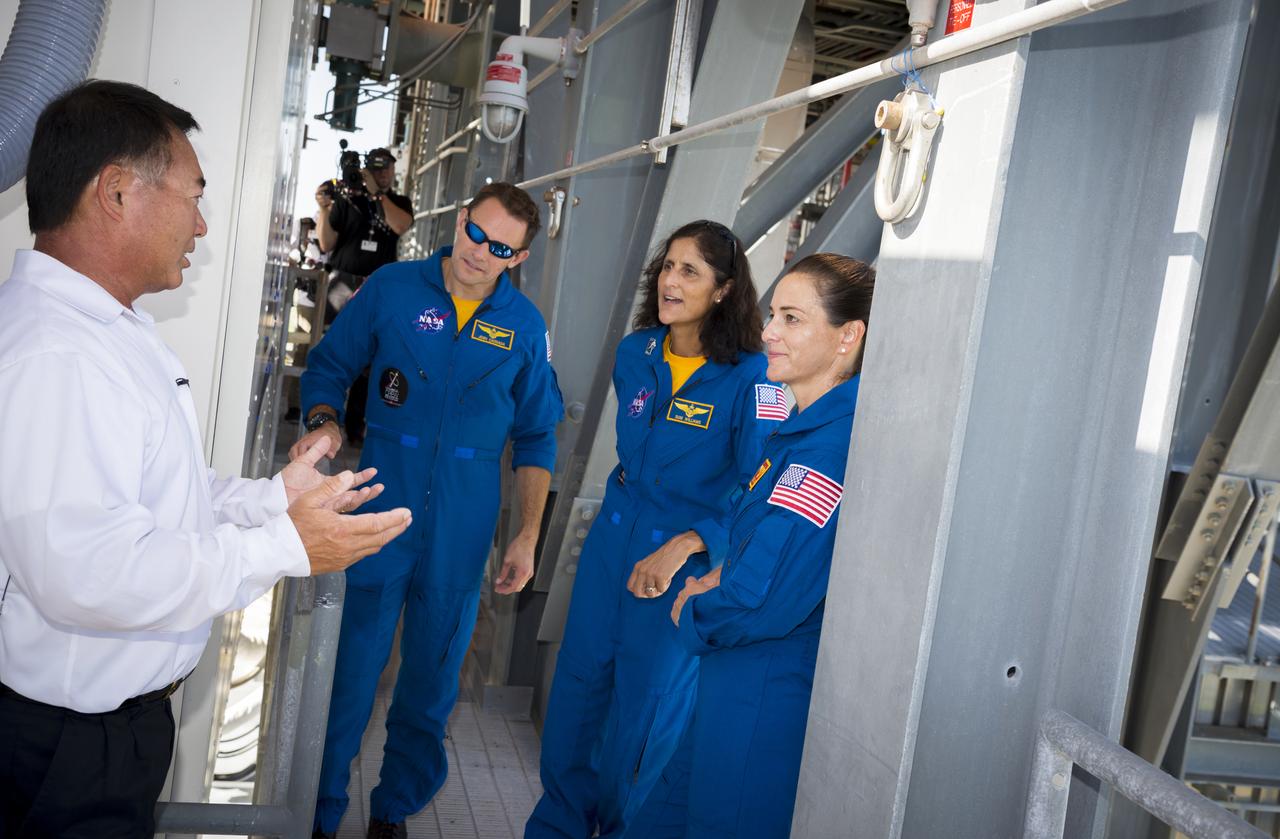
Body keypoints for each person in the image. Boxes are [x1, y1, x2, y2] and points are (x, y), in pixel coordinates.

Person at [0, 80, 412, 838]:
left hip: (103, 737)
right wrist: (283, 546)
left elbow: (158, 499)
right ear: (117, 193)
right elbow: (90, 576)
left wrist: (270, 501)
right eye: (192, 195)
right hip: (65, 752)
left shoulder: (105, 332)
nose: (200, 223)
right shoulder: (59, 355)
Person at [294, 182, 564, 839]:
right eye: (476, 232)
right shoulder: (391, 288)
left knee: (431, 681)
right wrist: (326, 424)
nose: (480, 252)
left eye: (501, 247)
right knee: (350, 674)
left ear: (518, 258)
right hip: (379, 507)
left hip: (464, 526)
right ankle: (319, 814)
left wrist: (527, 534)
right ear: (461, 218)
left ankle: (392, 810)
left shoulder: (525, 329)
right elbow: (330, 366)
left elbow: (536, 438)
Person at [526, 221, 784, 839]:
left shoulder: (754, 377)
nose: (670, 280)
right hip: (613, 543)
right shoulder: (636, 354)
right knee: (577, 695)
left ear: (723, 289)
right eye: (667, 266)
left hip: (679, 564)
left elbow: (762, 482)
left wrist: (691, 543)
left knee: (644, 717)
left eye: (690, 270)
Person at [630, 253, 875, 838]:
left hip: (759, 695)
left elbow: (763, 601)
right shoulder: (798, 431)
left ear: (848, 337)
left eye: (792, 319)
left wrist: (694, 607)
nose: (767, 332)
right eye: (772, 315)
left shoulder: (825, 452)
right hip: (731, 678)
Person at [315, 151, 413, 446]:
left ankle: (356, 427)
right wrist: (323, 208)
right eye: (375, 170)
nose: (382, 174)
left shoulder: (399, 203)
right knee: (332, 348)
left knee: (371, 358)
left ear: (394, 170)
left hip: (377, 288)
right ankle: (326, 417)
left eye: (386, 170)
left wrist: (377, 195)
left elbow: (401, 226)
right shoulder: (349, 199)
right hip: (343, 283)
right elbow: (325, 243)